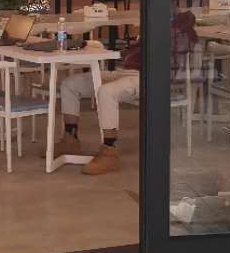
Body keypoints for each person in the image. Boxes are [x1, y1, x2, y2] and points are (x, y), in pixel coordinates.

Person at [56, 10, 197, 174]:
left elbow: (184, 28)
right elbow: (133, 54)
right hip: (125, 72)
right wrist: (101, 48)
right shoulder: (154, 25)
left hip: (150, 77)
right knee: (70, 84)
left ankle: (109, 152)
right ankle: (70, 140)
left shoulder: (180, 28)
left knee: (107, 92)